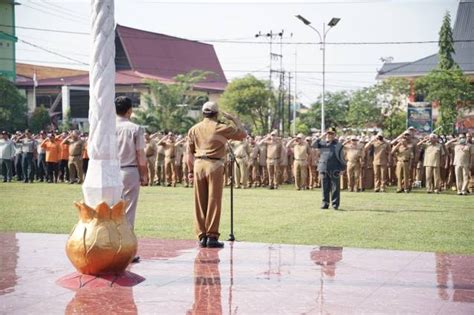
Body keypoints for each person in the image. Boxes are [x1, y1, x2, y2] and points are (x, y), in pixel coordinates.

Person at [186, 101, 246, 248]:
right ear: (216, 113)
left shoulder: (194, 129)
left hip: (198, 164)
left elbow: (189, 153)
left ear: (203, 113)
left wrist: (189, 171)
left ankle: (202, 236)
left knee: (200, 202)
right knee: (214, 200)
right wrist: (234, 119)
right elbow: (243, 135)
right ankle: (212, 236)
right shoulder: (221, 127)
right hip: (214, 165)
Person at [115, 96, 148, 246]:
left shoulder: (107, 127)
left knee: (111, 209)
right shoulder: (135, 128)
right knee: (128, 211)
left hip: (110, 172)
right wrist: (144, 174)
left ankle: (110, 245)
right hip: (129, 171)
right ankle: (126, 247)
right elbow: (140, 153)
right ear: (130, 111)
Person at [311, 127, 346, 210]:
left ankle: (335, 204)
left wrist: (342, 168)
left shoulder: (338, 145)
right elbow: (313, 145)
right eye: (328, 133)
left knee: (335, 187)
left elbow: (341, 157)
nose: (329, 135)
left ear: (334, 135)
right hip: (323, 168)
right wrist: (321, 136)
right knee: (325, 187)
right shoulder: (322, 143)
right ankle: (325, 203)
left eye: (331, 134)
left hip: (335, 168)